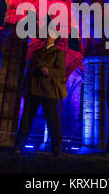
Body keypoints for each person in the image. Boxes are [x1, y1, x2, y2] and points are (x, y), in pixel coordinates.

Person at [14, 29, 67, 157]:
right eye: (48, 33)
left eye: (51, 34)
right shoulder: (38, 51)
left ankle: (57, 149)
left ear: (55, 38)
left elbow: (61, 72)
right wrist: (25, 87)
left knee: (52, 120)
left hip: (48, 91)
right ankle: (19, 146)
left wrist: (48, 70)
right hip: (33, 88)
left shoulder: (58, 53)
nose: (48, 35)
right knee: (26, 118)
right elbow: (30, 70)